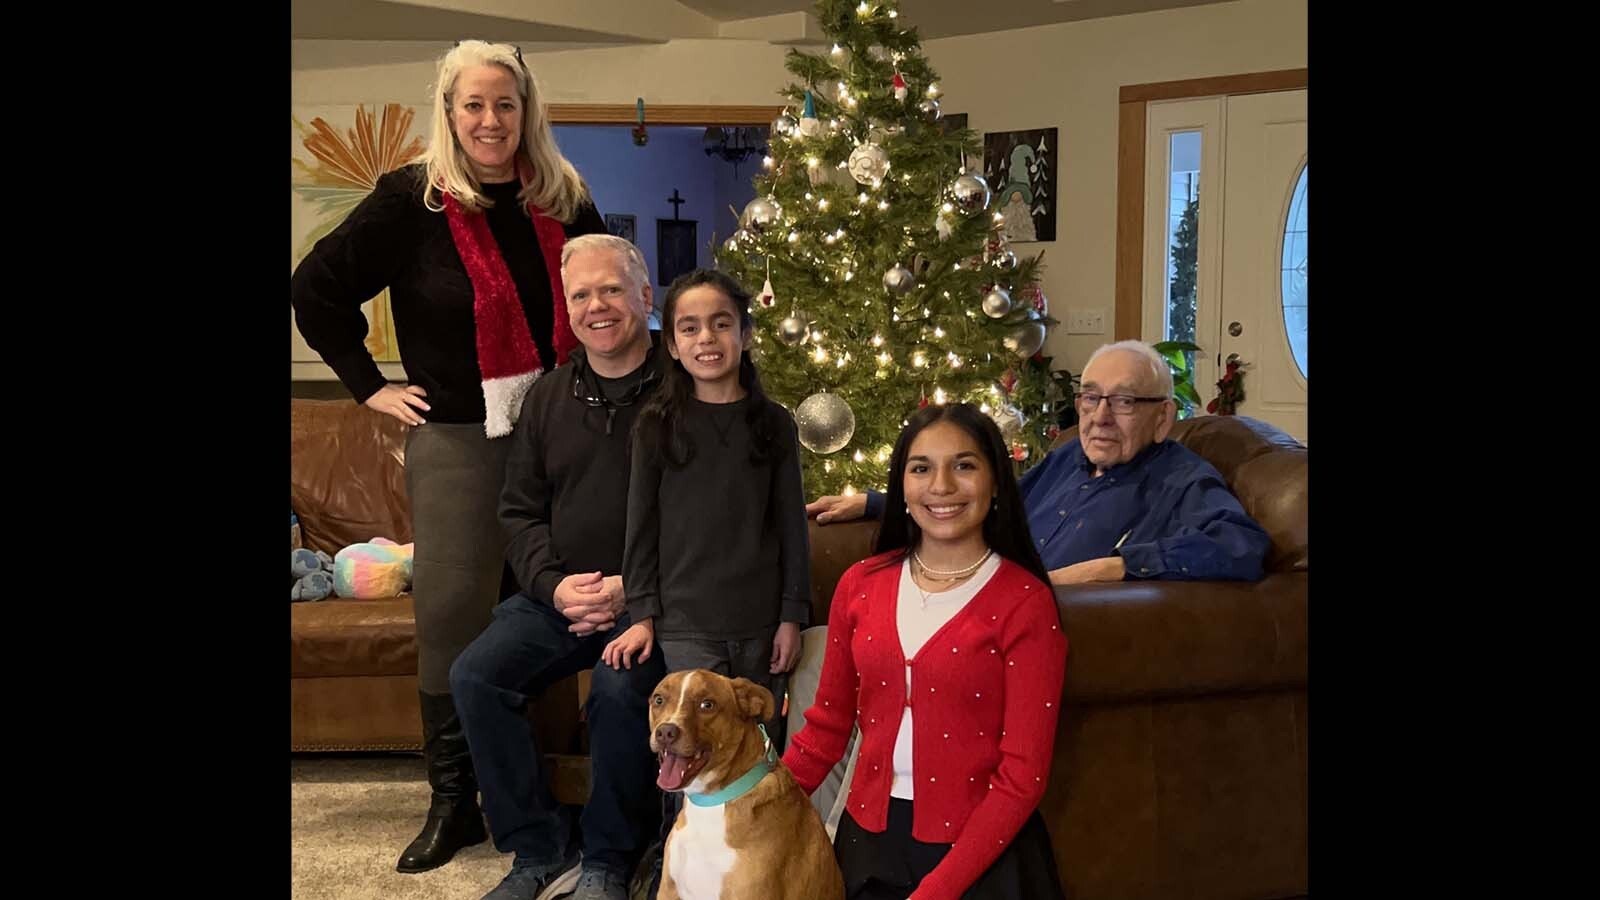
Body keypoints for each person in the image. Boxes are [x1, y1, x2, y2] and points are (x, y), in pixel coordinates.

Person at [290, 39, 606, 874]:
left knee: (564, 607)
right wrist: (367, 386)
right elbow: (314, 288)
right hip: (461, 442)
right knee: (452, 620)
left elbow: (604, 294)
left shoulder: (564, 196)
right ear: (450, 110)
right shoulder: (411, 201)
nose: (490, 120)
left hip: (564, 431)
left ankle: (565, 785)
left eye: (505, 104)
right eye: (474, 105)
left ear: (526, 110)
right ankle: (455, 802)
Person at [449, 235, 668, 900]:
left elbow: (710, 516)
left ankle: (608, 856)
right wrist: (552, 585)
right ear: (567, 307)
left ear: (645, 296)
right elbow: (517, 511)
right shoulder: (547, 396)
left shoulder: (687, 389)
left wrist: (637, 586)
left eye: (611, 289)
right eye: (581, 295)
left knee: (619, 691)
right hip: (561, 596)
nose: (597, 306)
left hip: (652, 601)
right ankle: (538, 846)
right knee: (476, 675)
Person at [783, 403, 1069, 900]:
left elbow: (1022, 777)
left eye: (964, 465)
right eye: (921, 468)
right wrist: (749, 811)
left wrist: (939, 890)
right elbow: (825, 730)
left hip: (982, 860)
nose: (941, 486)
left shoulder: (1026, 603)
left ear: (996, 480)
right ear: (902, 486)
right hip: (868, 846)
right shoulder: (860, 586)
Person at [806, 339, 1271, 585]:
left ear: (1163, 417)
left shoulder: (1181, 480)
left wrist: (1116, 567)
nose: (1101, 418)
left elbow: (1241, 544)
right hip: (981, 600)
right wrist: (875, 503)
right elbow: (995, 502)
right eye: (1091, 398)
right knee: (824, 647)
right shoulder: (1069, 457)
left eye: (1124, 402)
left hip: (1036, 633)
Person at [606, 268, 809, 710]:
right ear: (674, 346)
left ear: (746, 334)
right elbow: (640, 529)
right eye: (689, 327)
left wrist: (791, 617)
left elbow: (793, 526)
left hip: (761, 626)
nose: (707, 338)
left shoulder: (775, 424)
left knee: (756, 745)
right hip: (686, 628)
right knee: (696, 750)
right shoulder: (655, 426)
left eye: (721, 323)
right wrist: (643, 617)